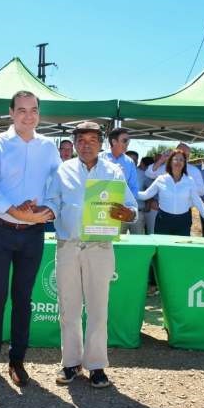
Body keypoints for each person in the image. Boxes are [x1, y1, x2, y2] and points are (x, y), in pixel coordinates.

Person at [44, 122, 137, 388]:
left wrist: (128, 214)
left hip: (99, 248)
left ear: (101, 143)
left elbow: (131, 207)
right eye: (81, 140)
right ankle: (71, 363)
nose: (86, 145)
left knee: (98, 309)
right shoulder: (62, 170)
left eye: (92, 140)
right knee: (68, 308)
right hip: (68, 246)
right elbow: (52, 201)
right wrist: (45, 212)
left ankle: (96, 366)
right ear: (74, 144)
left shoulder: (113, 171)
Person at [0, 90, 60, 387]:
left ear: (39, 113)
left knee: (23, 298)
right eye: (22, 110)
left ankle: (17, 360)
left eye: (33, 110)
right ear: (11, 113)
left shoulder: (48, 147)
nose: (28, 116)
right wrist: (15, 211)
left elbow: (57, 187)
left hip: (33, 234)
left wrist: (46, 212)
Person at [138, 149, 204, 236]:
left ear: (184, 163)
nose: (178, 162)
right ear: (170, 162)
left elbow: (197, 200)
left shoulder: (189, 180)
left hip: (183, 221)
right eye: (175, 159)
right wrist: (129, 191)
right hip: (163, 220)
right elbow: (145, 195)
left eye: (181, 160)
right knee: (163, 245)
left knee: (181, 245)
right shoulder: (161, 179)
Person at [124, 150, 145, 234]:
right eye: (129, 159)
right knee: (118, 240)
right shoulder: (116, 172)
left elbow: (151, 189)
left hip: (138, 213)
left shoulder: (143, 174)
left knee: (138, 240)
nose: (131, 162)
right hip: (120, 212)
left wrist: (150, 202)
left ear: (137, 161)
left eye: (134, 160)